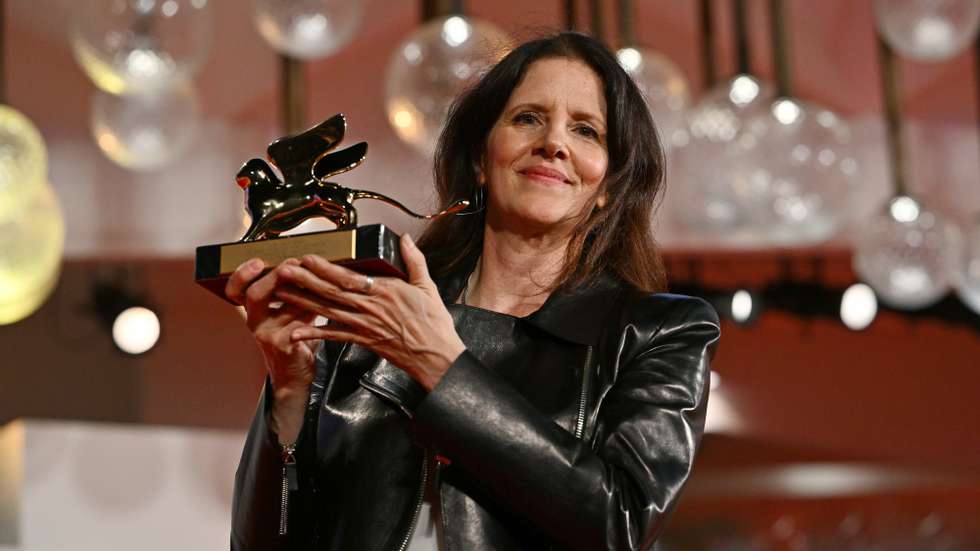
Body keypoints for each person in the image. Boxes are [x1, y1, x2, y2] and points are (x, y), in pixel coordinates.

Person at [228, 31, 720, 551]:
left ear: (609, 188)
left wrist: (443, 369)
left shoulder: (661, 331)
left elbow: (618, 525)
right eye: (527, 117)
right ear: (482, 160)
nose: (554, 142)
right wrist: (287, 390)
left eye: (586, 130)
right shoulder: (370, 316)